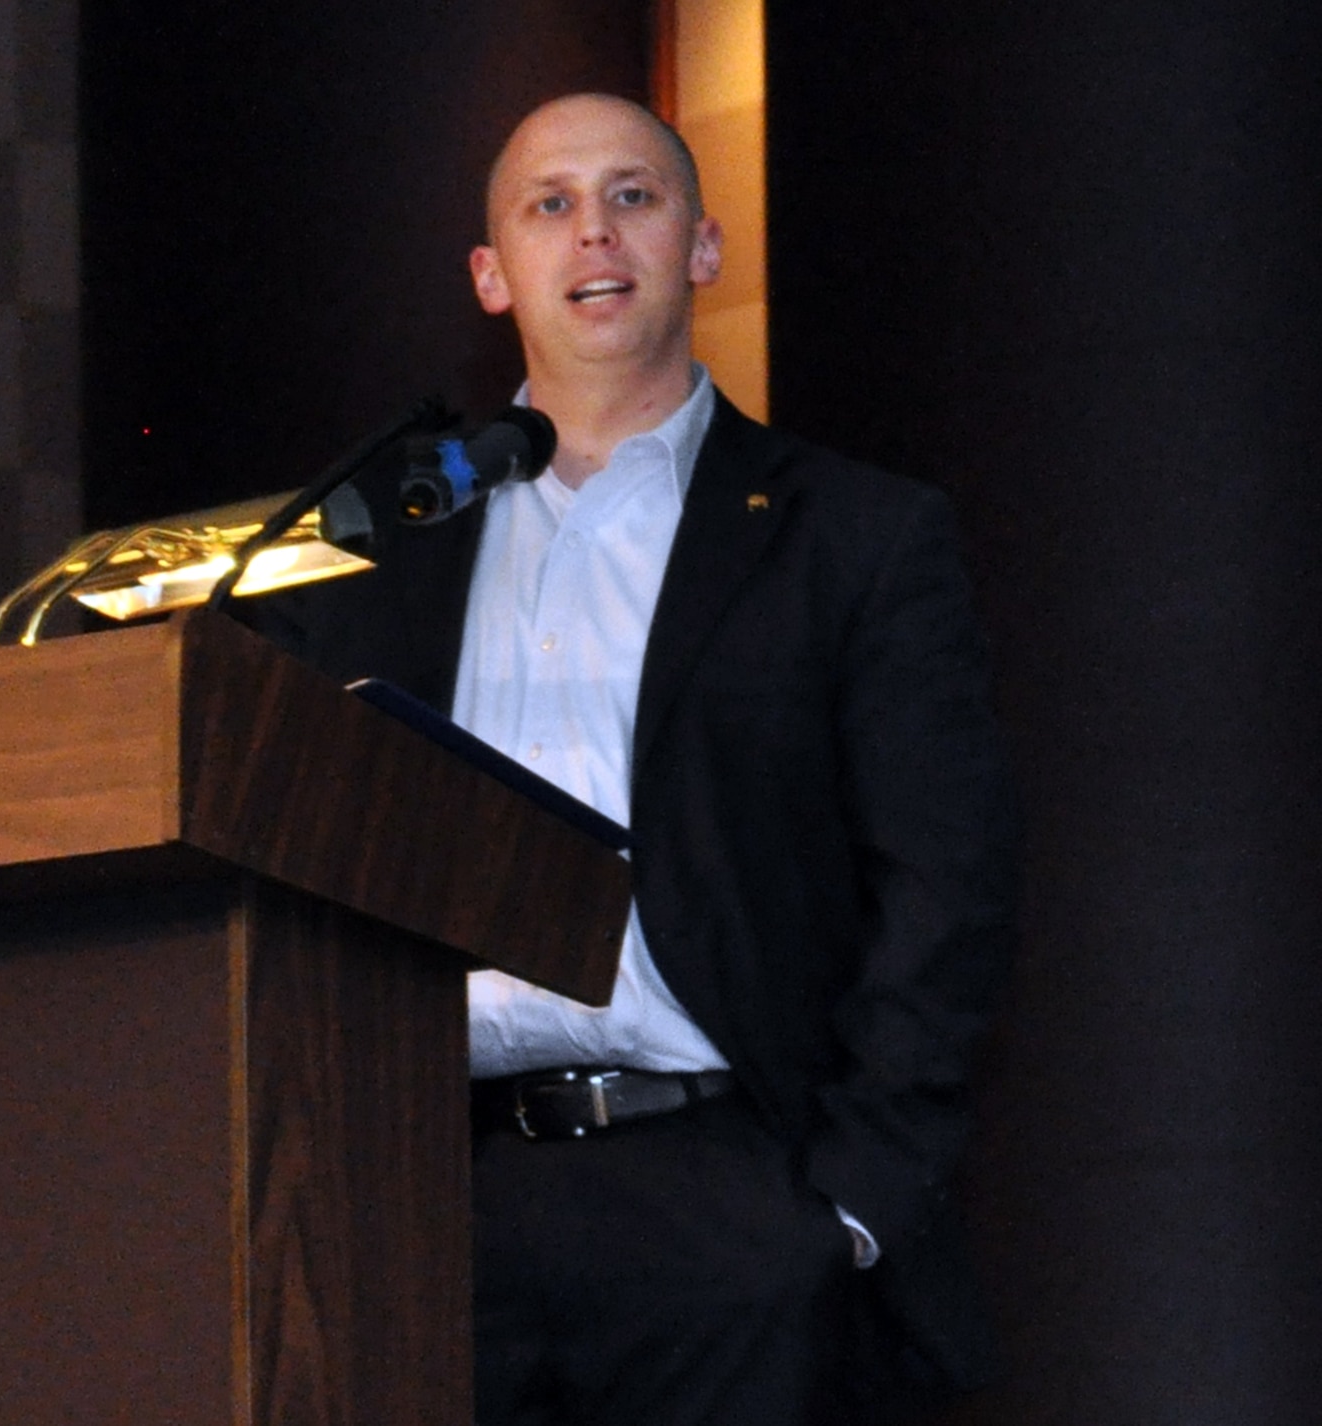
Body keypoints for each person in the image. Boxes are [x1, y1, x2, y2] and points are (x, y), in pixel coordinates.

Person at [254, 93, 1019, 1423]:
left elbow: (945, 883)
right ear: (493, 276)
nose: (592, 230)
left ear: (703, 249)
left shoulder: (854, 534)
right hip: (432, 1199)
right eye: (549, 204)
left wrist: (843, 1207)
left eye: (634, 196)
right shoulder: (367, 555)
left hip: (731, 1202)